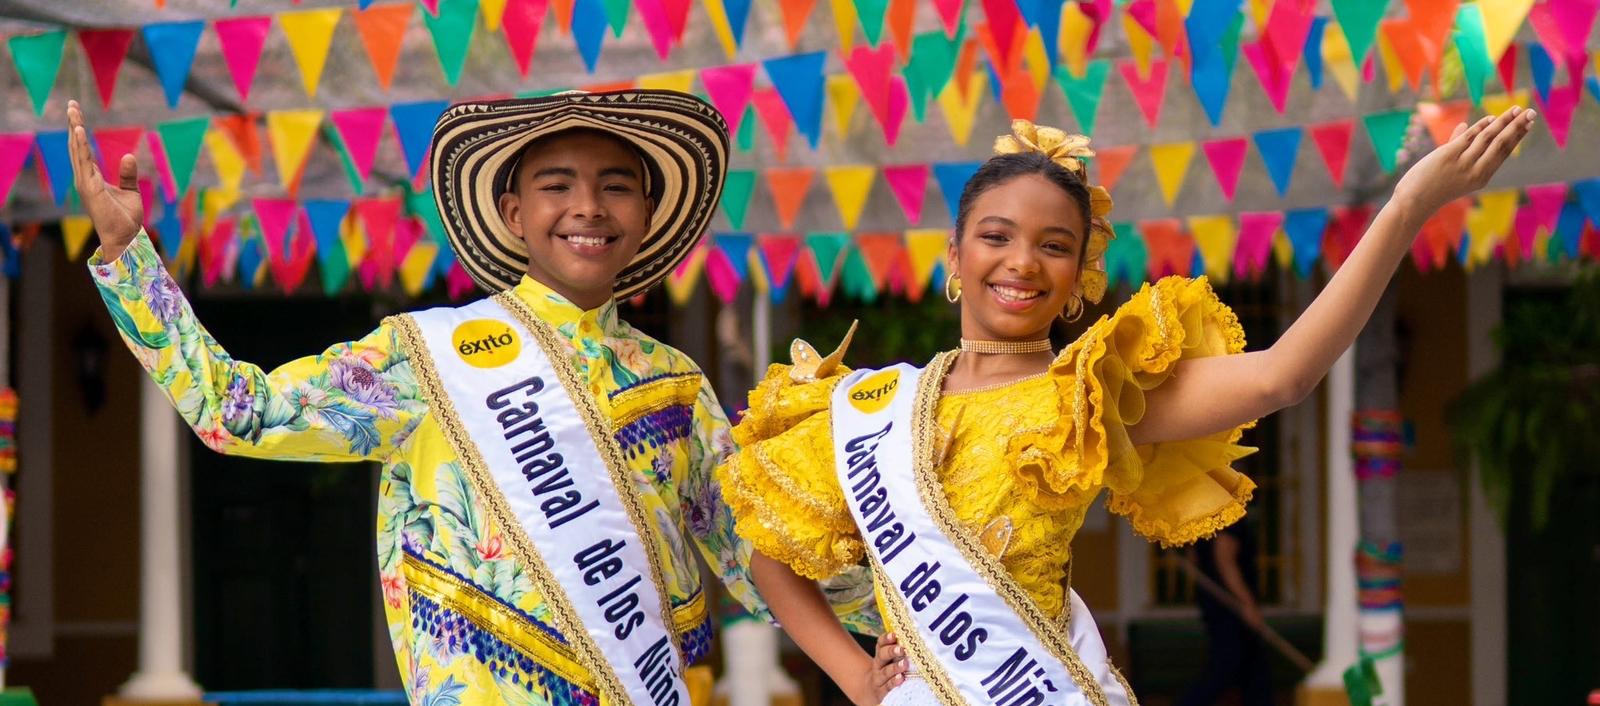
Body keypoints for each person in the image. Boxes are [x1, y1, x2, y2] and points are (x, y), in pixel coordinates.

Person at [717, 108, 1537, 706]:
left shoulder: (1091, 394)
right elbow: (768, 556)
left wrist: (1404, 210)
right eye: (997, 237)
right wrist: (857, 677)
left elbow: (1282, 376)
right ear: (955, 258)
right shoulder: (872, 408)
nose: (1023, 263)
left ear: (1080, 277)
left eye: (1055, 246)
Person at [71, 89, 778, 704]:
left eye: (617, 185)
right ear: (513, 212)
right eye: (557, 185)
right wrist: (131, 258)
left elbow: (759, 560)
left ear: (648, 211)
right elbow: (237, 412)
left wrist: (879, 627)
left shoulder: (677, 385)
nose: (587, 207)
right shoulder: (425, 357)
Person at [1180, 519, 1273, 706]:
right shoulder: (1228, 517)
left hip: (1218, 606)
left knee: (1254, 674)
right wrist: (1248, 605)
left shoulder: (1205, 517)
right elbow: (1225, 560)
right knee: (1225, 668)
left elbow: (1193, 558)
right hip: (1231, 611)